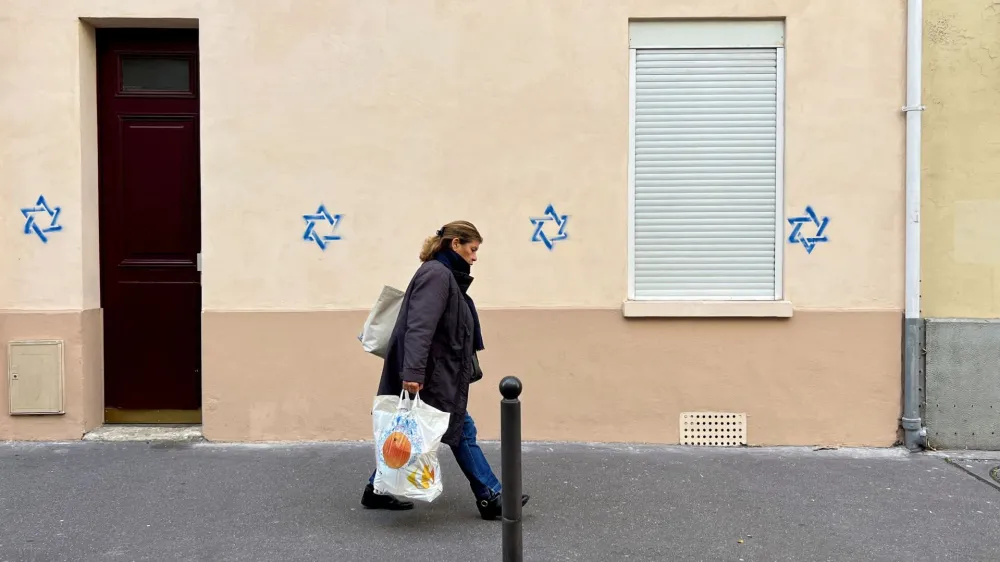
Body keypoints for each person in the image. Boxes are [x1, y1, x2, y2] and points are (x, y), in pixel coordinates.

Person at [361, 220, 530, 520]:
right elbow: (419, 327)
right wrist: (412, 373)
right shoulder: (437, 275)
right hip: (430, 374)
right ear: (455, 244)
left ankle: (377, 488)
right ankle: (490, 495)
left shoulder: (443, 274)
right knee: (461, 429)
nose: (475, 257)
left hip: (434, 371)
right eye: (472, 249)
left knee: (413, 430)